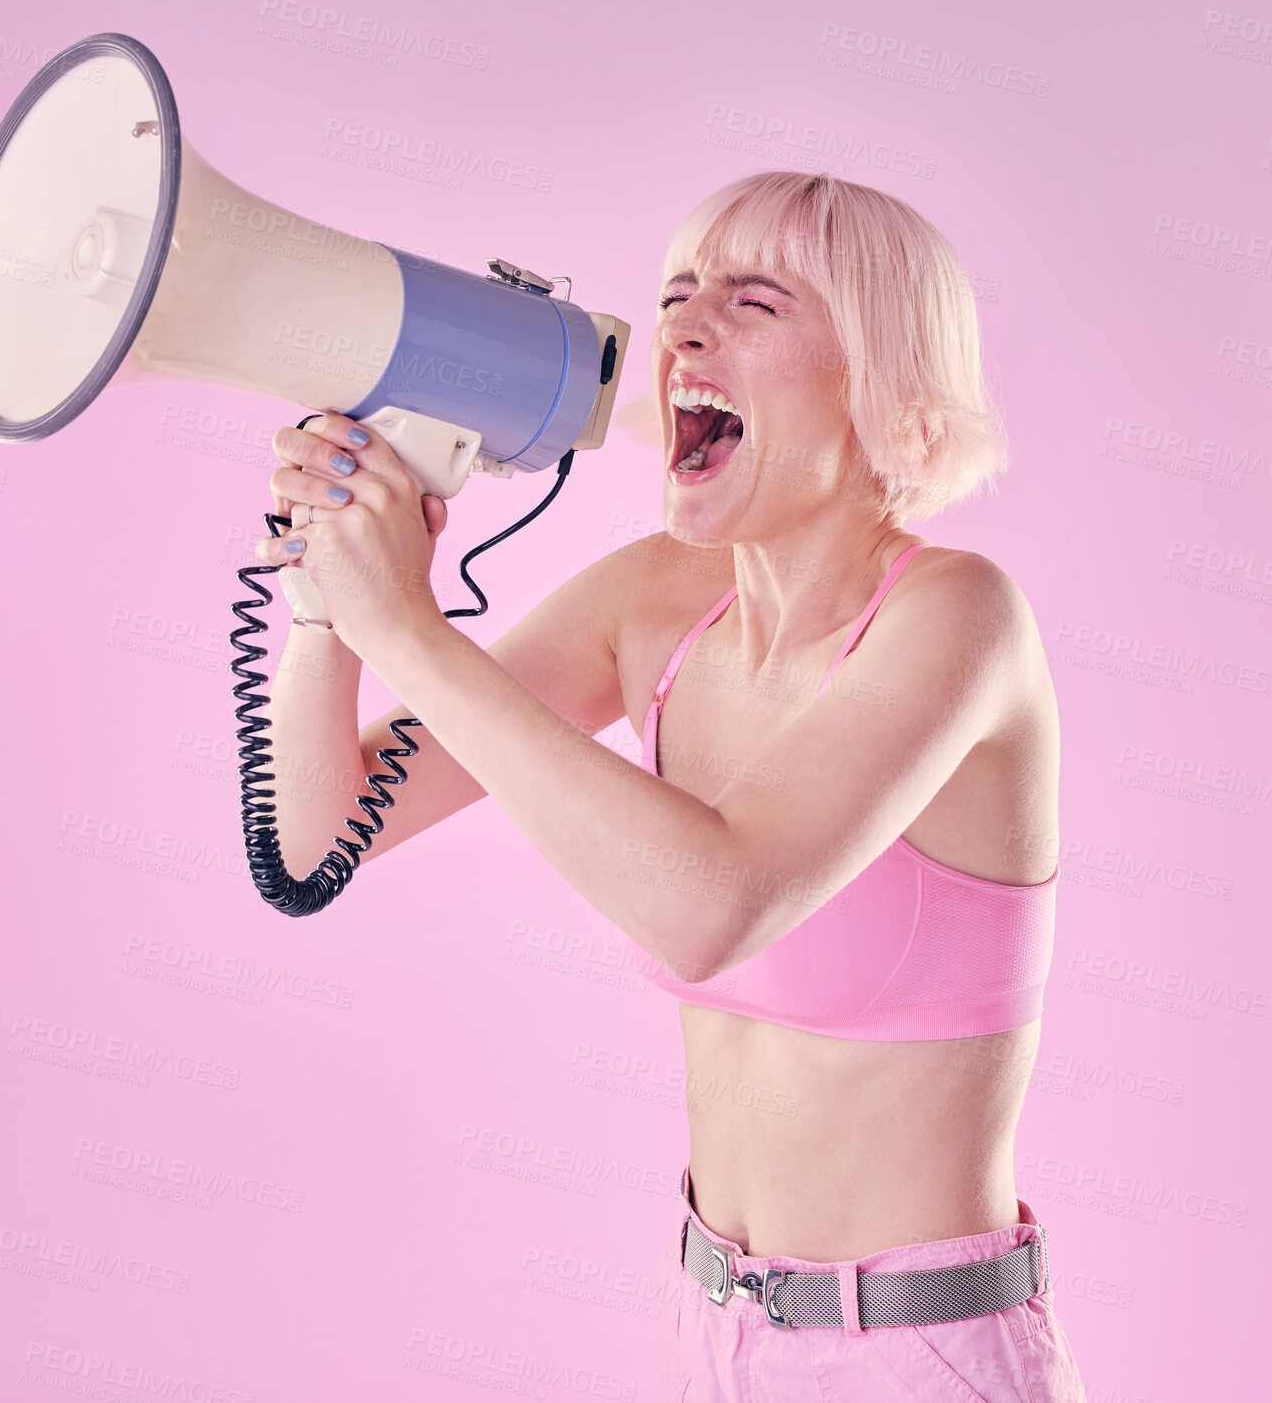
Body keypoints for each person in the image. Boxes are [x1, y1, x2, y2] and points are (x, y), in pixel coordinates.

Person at [254, 171, 1086, 1402]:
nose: (684, 331)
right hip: (710, 1333)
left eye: (755, 303)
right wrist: (329, 588)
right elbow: (324, 823)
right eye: (677, 295)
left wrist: (413, 627)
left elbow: (712, 903)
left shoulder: (957, 619)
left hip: (920, 1356)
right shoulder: (652, 597)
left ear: (883, 381)